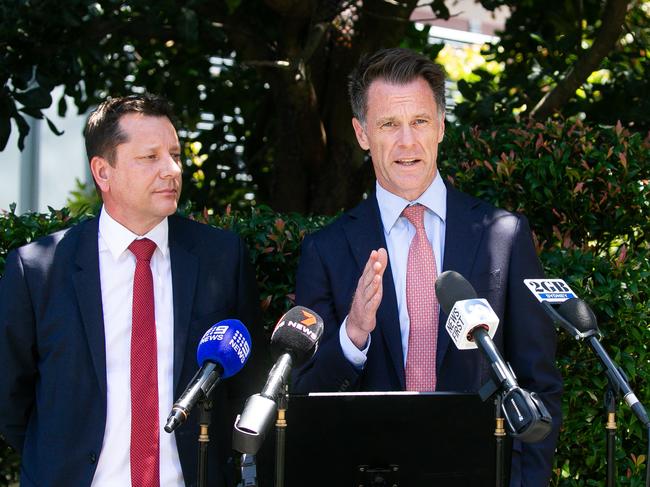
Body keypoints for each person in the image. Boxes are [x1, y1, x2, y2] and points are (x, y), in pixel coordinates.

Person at [292, 48, 563, 485]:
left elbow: (538, 385)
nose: (406, 142)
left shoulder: (504, 236)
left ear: (440, 126)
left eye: (419, 121)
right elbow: (304, 396)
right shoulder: (325, 250)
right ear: (362, 133)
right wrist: (353, 334)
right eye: (388, 125)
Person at [0, 94, 264, 487]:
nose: (172, 169)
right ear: (103, 172)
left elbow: (247, 385)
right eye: (150, 157)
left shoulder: (221, 258)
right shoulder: (37, 270)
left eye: (175, 154)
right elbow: (11, 400)